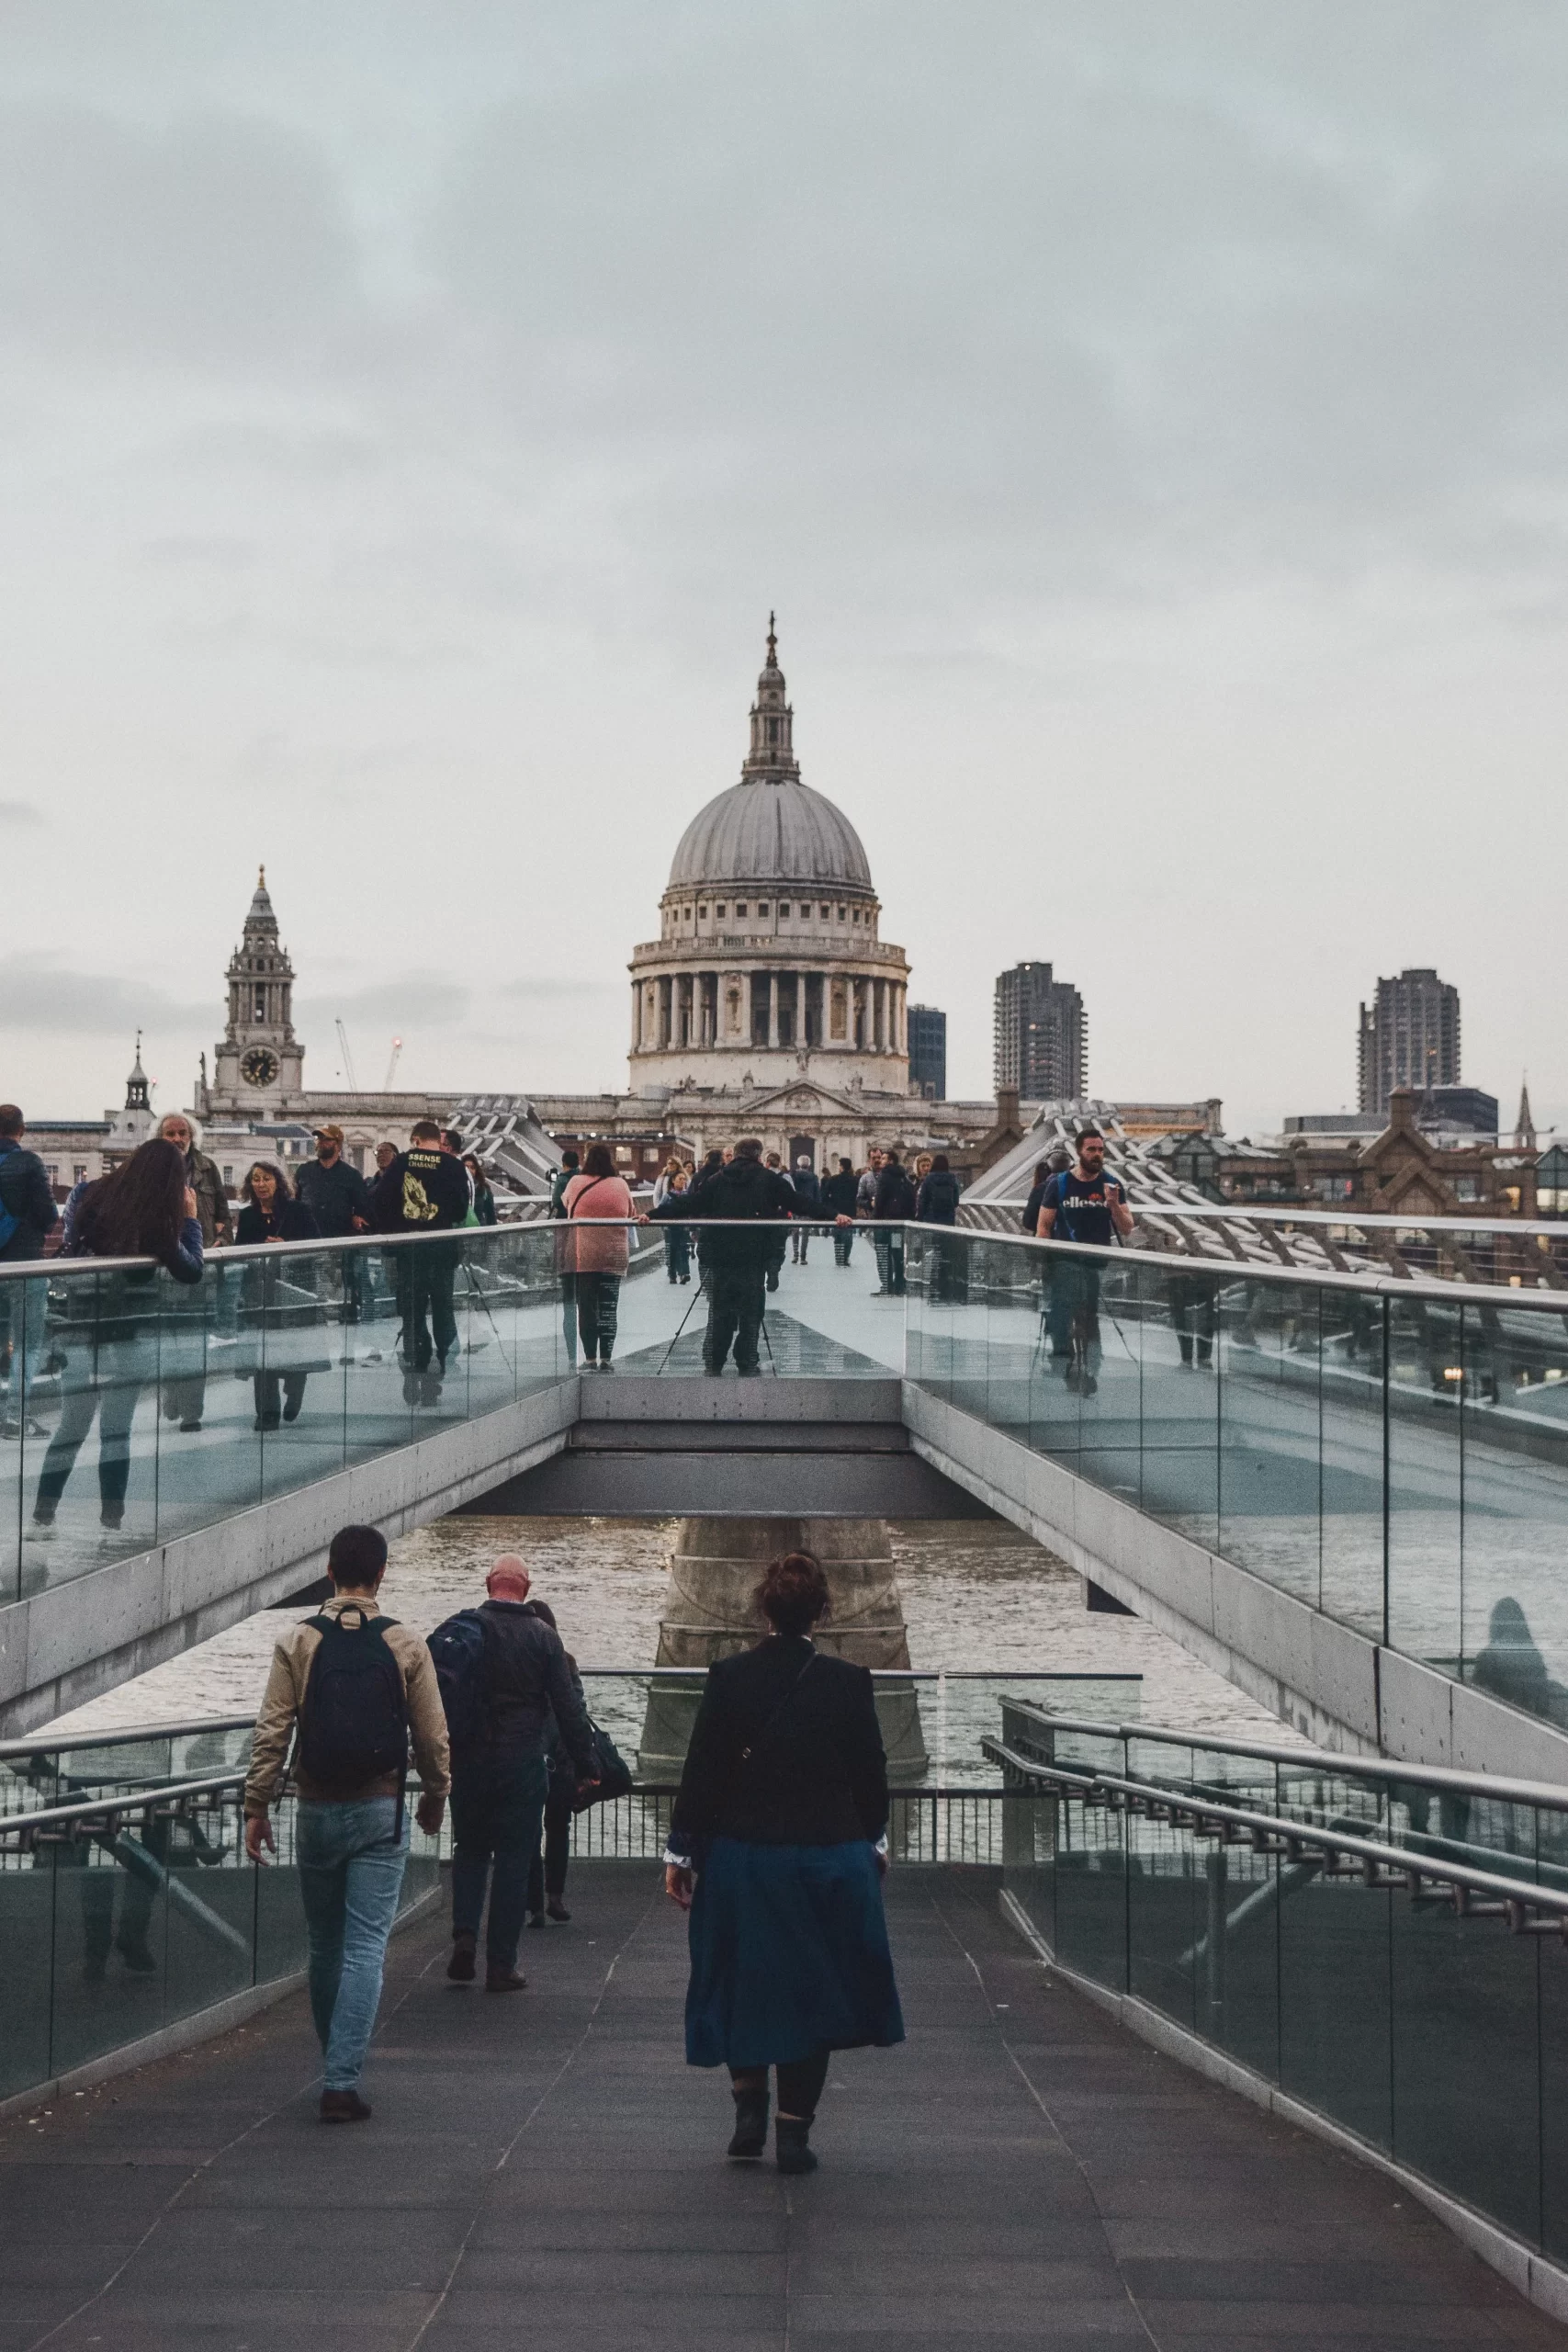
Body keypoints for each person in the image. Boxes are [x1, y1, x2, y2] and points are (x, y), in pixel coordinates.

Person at [665, 1551, 903, 2176]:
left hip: (744, 1858)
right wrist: (873, 1843)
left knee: (744, 1977)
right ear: (822, 1611)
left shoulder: (728, 1677)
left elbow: (704, 1771)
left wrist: (681, 1850)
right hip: (829, 1856)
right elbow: (869, 1776)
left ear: (762, 1608)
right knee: (814, 1989)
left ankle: (748, 2104)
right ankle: (793, 2133)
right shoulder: (848, 1683)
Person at [244, 1523, 450, 2123]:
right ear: (382, 1574)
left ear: (329, 1572)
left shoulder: (298, 1641)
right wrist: (436, 1794)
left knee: (324, 1943)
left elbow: (272, 1732)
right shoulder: (405, 1643)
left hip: (314, 1807)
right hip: (379, 1808)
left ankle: (334, 2058)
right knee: (365, 1945)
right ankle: (341, 2079)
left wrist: (258, 1805)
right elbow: (433, 1736)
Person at [29, 1137, 203, 1545]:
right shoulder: (157, 1217)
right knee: (116, 1431)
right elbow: (191, 1270)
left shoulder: (91, 1193)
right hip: (129, 1334)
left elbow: (71, 1242)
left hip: (80, 1327)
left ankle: (43, 1513)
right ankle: (111, 1520)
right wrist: (191, 1219)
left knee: (70, 1427)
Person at [444, 1556, 597, 1990]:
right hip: (522, 1764)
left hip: (469, 1762)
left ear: (488, 1583)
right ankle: (501, 1965)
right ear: (526, 1589)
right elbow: (568, 1709)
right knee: (514, 1860)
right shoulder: (544, 1638)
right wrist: (587, 1766)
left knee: (470, 1850)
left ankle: (465, 1937)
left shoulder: (465, 1629)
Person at [653, 1138, 796, 1376]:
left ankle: (714, 1361)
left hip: (720, 1257)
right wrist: (835, 1215)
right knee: (752, 1314)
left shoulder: (716, 1180)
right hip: (753, 1258)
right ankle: (747, 1361)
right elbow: (799, 1204)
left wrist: (652, 1214)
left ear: (735, 1155)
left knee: (719, 1311)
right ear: (759, 1157)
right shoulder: (769, 1180)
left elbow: (690, 1204)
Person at [374, 1119, 471, 1408]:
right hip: (441, 1249)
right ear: (435, 1141)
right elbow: (460, 1209)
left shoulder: (402, 1163)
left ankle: (416, 1365)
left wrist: (397, 1229)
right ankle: (435, 1374)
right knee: (442, 1307)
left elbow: (381, 1200)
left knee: (412, 1312)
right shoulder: (454, 1166)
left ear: (415, 1140)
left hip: (409, 1250)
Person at [1036, 1126, 1134, 1396]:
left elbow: (1127, 1228)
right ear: (1079, 1151)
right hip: (1064, 1263)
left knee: (1089, 1319)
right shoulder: (1059, 1185)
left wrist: (1113, 1204)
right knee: (1063, 1315)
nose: (1097, 1155)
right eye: (1091, 1149)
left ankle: (1091, 1367)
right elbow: (1043, 1226)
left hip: (1095, 1265)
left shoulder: (1112, 1185)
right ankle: (1064, 1360)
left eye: (1101, 1150)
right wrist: (1045, 1262)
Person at [153, 1112, 231, 1434]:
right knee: (168, 1342)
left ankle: (192, 1412)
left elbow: (224, 1216)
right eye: (170, 1133)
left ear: (191, 1136)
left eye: (182, 1132)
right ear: (160, 1137)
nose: (177, 1139)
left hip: (201, 1267)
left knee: (196, 1343)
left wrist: (218, 1243)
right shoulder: (151, 1169)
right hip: (164, 1269)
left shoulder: (207, 1167)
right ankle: (172, 1396)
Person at [235, 1162, 327, 1430]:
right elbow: (239, 1250)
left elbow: (317, 1244)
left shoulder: (298, 1210)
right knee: (262, 1351)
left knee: (294, 1346)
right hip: (261, 1290)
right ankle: (267, 1414)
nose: (261, 1184)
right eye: (256, 1179)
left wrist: (287, 1246)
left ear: (277, 1181)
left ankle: (296, 1386)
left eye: (266, 1178)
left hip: (295, 1287)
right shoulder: (249, 1215)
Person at [521, 1597, 585, 1928]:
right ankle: (555, 1897)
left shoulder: (522, 1663)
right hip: (562, 1758)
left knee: (530, 1831)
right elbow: (577, 1710)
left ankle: (534, 1906)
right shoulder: (567, 1662)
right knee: (558, 1829)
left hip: (531, 1755)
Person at [0, 1105, 59, 1438]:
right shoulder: (29, 1163)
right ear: (21, 1129)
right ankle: (15, 1417)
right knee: (26, 1345)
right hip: (25, 1263)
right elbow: (49, 1215)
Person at [561, 1143, 634, 1370]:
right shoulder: (621, 1184)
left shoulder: (575, 1182)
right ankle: (607, 1359)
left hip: (584, 1254)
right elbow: (631, 1212)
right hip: (614, 1253)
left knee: (587, 1307)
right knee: (609, 1307)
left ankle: (590, 1358)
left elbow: (566, 1204)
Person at [549, 1148, 581, 1366]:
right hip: (587, 1239)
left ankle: (572, 1356)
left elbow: (556, 1202)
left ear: (563, 1163)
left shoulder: (562, 1180)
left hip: (566, 1232)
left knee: (569, 1298)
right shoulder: (581, 1178)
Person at [871, 1149, 916, 1296]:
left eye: (883, 1158)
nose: (880, 1161)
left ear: (890, 1161)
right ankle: (899, 1286)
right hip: (898, 1225)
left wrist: (875, 1220)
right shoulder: (904, 1177)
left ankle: (887, 1286)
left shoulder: (884, 1177)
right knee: (897, 1254)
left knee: (884, 1254)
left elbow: (880, 1201)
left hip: (885, 1224)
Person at [820, 1156, 858, 1267]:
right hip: (850, 1210)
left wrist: (829, 1205)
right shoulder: (855, 1180)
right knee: (848, 1234)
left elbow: (824, 1195)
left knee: (837, 1235)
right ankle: (846, 1257)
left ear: (841, 1167)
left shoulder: (834, 1179)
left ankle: (839, 1257)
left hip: (837, 1210)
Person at [660, 1163, 693, 1284]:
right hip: (670, 1228)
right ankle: (672, 1274)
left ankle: (684, 1273)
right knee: (672, 1250)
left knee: (684, 1249)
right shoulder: (667, 1196)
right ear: (673, 1181)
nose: (683, 1181)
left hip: (683, 1228)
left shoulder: (687, 1196)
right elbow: (660, 1210)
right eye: (680, 1179)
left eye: (684, 1179)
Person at [789, 1157, 821, 1262]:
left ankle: (795, 1254)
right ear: (809, 1165)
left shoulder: (793, 1175)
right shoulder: (813, 1177)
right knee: (805, 1232)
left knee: (795, 1230)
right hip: (808, 1205)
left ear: (798, 1164)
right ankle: (803, 1257)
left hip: (795, 1204)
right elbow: (817, 1193)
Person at [464, 1154, 498, 1226]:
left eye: (472, 1167)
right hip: (460, 1232)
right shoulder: (455, 1188)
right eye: (466, 1167)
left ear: (476, 1170)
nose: (469, 1170)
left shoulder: (483, 1189)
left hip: (479, 1230)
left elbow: (491, 1215)